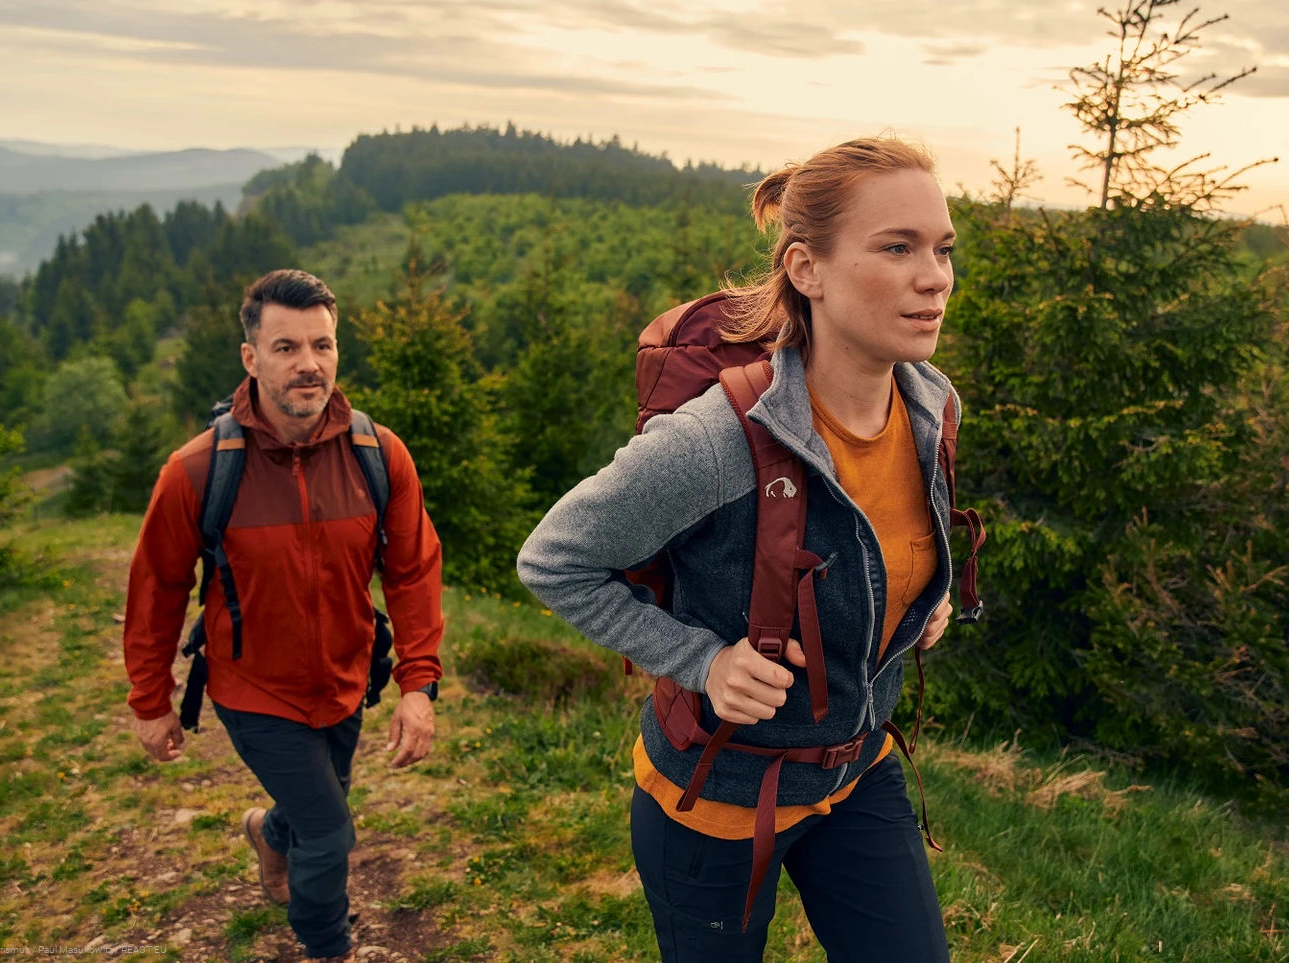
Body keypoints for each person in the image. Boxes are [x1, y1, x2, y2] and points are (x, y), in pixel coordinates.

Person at [517, 136, 963, 962]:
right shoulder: (719, 440)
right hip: (714, 799)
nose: (934, 276)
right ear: (807, 268)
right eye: (896, 247)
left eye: (941, 248)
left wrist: (924, 596)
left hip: (855, 770)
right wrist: (703, 660)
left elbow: (889, 540)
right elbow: (553, 558)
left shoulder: (931, 402)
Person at [122, 269, 446, 963]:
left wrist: (418, 685)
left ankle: (270, 834)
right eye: (287, 347)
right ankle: (328, 946)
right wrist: (151, 701)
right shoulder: (199, 469)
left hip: (347, 679)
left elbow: (414, 571)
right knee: (330, 831)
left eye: (322, 345)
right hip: (253, 689)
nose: (309, 364)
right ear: (251, 358)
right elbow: (157, 588)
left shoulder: (378, 455)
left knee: (309, 812)